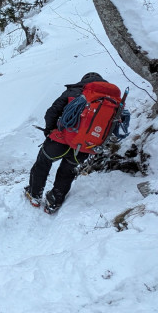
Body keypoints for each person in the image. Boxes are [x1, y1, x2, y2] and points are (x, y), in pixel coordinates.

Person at [25, 72, 121, 214]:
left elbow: (52, 112)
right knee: (67, 171)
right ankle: (54, 202)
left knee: (43, 163)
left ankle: (34, 195)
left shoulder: (75, 91)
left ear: (85, 81)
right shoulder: (114, 101)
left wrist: (49, 130)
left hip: (60, 140)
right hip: (85, 147)